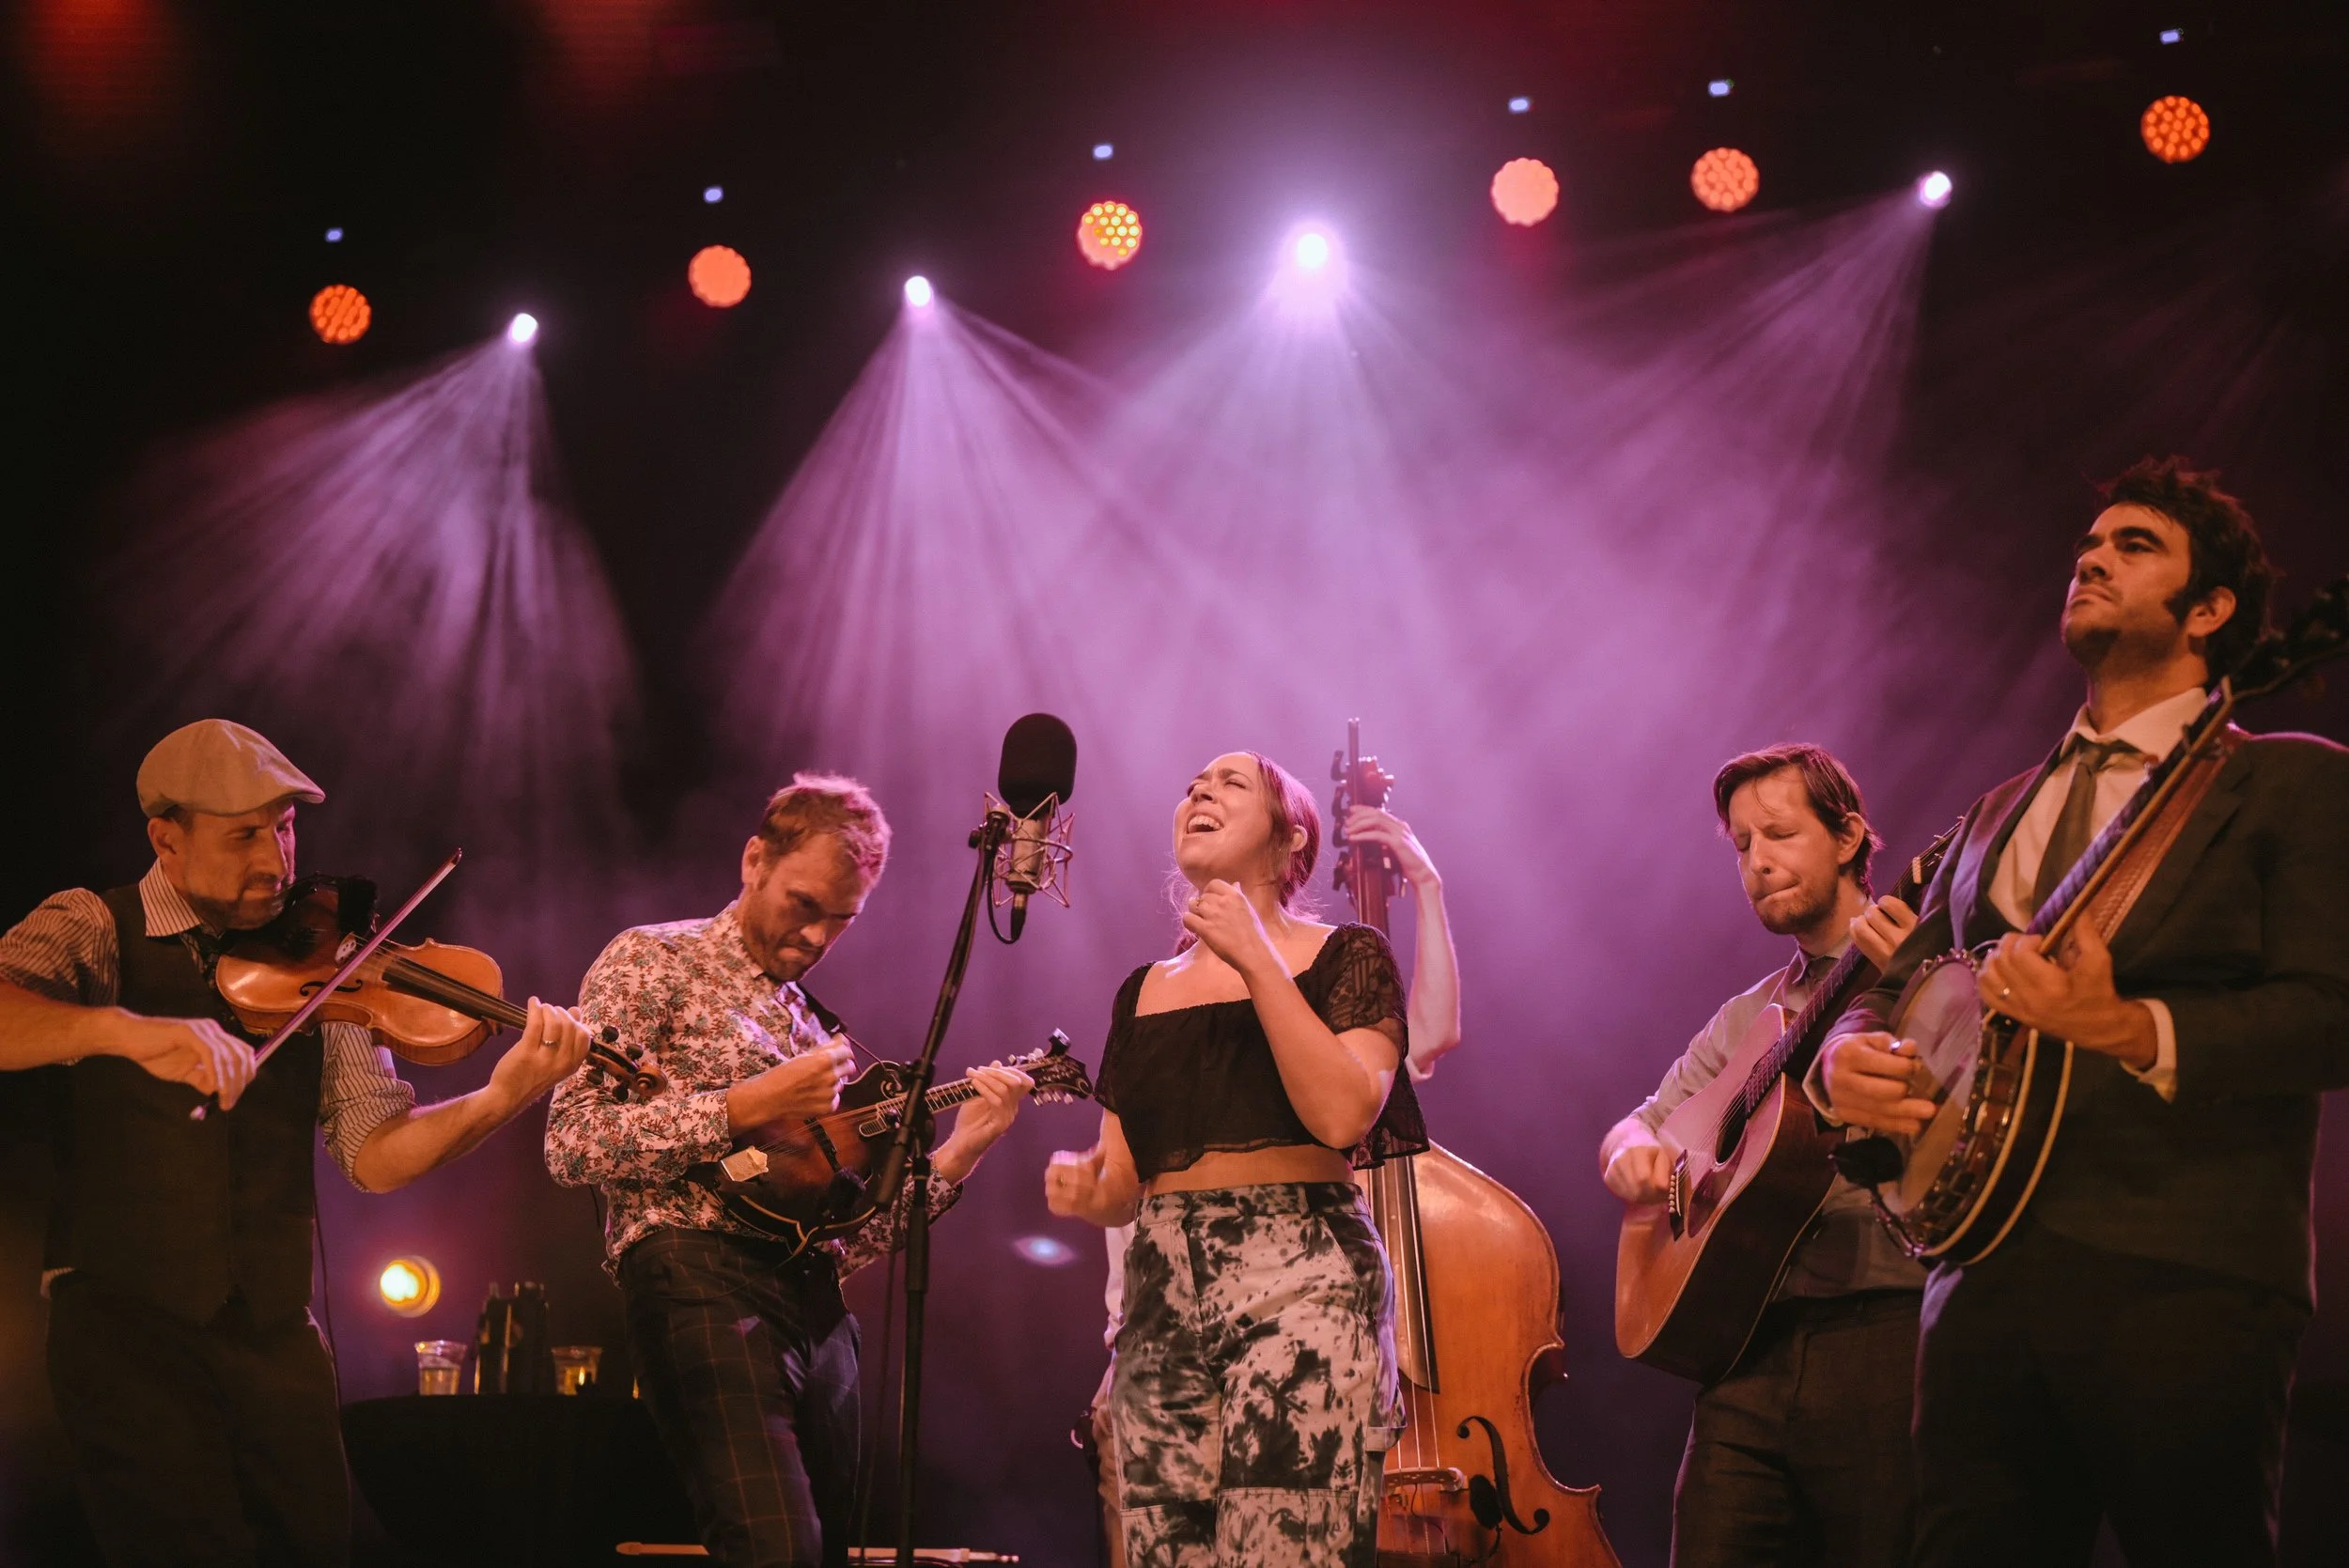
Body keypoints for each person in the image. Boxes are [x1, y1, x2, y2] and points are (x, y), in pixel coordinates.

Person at [1812, 458, 2349, 1568]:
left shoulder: (2294, 783)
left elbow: (2331, 1013)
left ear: (2210, 611)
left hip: (2184, 1270)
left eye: (2134, 545)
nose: (2092, 557)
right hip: (1972, 1276)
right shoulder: (1995, 808)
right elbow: (1893, 984)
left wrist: (2130, 1028)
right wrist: (1850, 1059)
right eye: (2088, 545)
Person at [0, 718, 593, 1568]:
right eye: (242, 835)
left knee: (317, 1544)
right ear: (166, 839)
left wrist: (503, 1096)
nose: (274, 860)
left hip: (274, 1331)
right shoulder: (92, 923)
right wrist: (122, 1030)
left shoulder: (324, 957)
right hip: (124, 1324)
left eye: (282, 829)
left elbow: (375, 1152)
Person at [544, 773, 1030, 1568]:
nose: (816, 937)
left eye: (841, 918)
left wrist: (959, 1153)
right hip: (694, 1275)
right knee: (778, 1546)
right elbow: (572, 1143)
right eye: (804, 904)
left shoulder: (814, 1028)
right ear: (753, 861)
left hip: (816, 1307)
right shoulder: (653, 959)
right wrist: (744, 1103)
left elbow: (843, 1240)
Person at [1046, 751, 1426, 1568]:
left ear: (1293, 838)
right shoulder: (1142, 990)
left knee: (1288, 1547)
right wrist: (1088, 1188)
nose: (1199, 793)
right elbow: (1123, 1184)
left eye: (1230, 783)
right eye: (1192, 786)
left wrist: (1257, 958)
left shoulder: (1347, 955)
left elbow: (1342, 1113)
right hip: (1161, 1303)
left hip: (1303, 1280)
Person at [1597, 744, 1924, 1568]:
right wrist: (1633, 1158)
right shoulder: (1748, 1017)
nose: (1757, 862)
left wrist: (1915, 985)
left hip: (1886, 1333)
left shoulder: (1923, 968)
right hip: (1747, 1352)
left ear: (1848, 836)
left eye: (1779, 833)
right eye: (1743, 845)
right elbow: (1639, 1127)